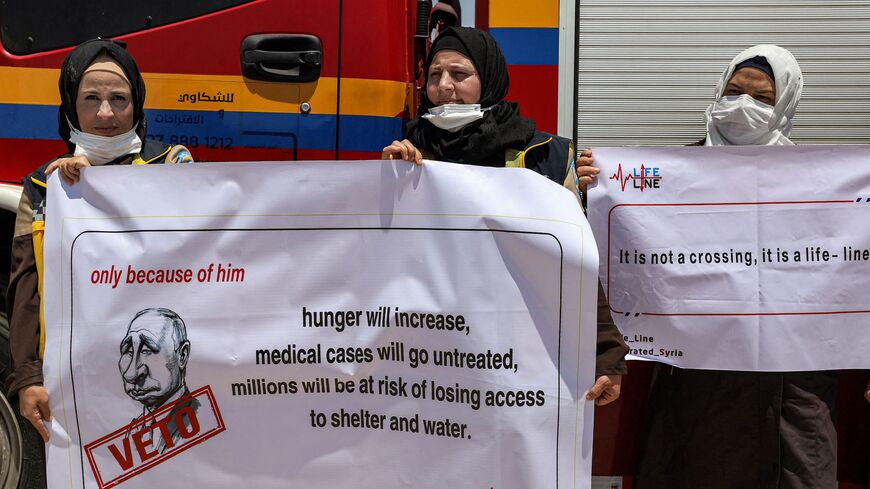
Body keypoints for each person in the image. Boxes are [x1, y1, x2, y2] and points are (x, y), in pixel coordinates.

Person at [584, 45, 853, 488]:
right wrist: (596, 189)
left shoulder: (821, 182)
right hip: (698, 379)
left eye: (762, 98)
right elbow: (629, 256)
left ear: (785, 105)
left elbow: (853, 273)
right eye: (733, 92)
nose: (742, 105)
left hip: (793, 384)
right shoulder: (673, 175)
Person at [382, 27, 628, 405]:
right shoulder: (407, 155)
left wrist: (606, 355)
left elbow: (574, 261)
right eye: (434, 75)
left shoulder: (545, 155)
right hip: (432, 355)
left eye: (459, 74)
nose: (444, 86)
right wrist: (388, 184)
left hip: (518, 352)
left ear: (490, 78)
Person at [5, 38, 193, 459]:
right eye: (91, 99)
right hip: (76, 385)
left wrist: (102, 186)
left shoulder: (173, 165)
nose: (106, 114)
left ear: (137, 103)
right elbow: (25, 293)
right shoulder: (42, 188)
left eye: (119, 99)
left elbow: (196, 252)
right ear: (71, 107)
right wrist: (28, 379)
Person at [120, 308, 199, 454]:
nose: (131, 374)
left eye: (147, 351)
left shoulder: (203, 420)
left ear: (182, 355)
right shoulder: (133, 431)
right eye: (129, 352)